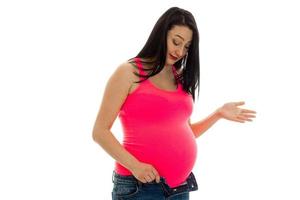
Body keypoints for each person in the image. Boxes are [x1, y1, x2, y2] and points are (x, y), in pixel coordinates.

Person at [92, 7, 256, 200]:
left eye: (186, 46)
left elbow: (185, 132)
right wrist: (136, 166)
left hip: (180, 187)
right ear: (161, 35)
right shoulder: (129, 72)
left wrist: (218, 114)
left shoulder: (179, 78)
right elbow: (100, 132)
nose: (180, 51)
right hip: (140, 187)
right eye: (176, 42)